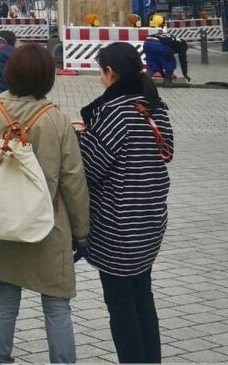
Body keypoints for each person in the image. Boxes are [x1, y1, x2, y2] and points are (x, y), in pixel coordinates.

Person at [0, 45, 90, 365]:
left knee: (4, 299)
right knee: (57, 305)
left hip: (0, 221)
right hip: (48, 223)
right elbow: (73, 180)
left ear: (10, 72)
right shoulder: (56, 119)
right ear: (48, 77)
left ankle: (0, 360)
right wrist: (81, 230)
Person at [78, 42, 174, 365]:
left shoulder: (115, 112)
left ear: (111, 73)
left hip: (120, 227)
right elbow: (163, 151)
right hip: (149, 222)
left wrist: (82, 137)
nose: (99, 79)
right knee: (143, 297)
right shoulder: (153, 106)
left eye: (100, 72)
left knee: (120, 307)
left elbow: (91, 166)